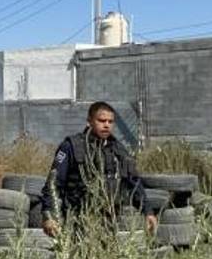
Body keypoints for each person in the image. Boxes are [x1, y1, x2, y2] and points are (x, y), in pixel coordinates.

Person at [41, 101, 158, 238]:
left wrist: (148, 212)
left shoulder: (119, 151)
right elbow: (53, 183)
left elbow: (134, 184)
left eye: (110, 121)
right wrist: (49, 215)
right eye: (101, 121)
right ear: (89, 121)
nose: (106, 125)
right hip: (77, 223)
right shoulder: (72, 147)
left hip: (109, 224)